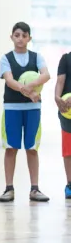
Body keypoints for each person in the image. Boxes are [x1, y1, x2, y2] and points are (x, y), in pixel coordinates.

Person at [0, 22, 51, 202]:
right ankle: (9, 189)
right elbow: (10, 80)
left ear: (29, 38)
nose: (20, 38)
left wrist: (31, 85)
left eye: (24, 35)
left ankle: (35, 189)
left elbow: (46, 75)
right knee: (11, 148)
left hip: (33, 109)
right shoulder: (6, 58)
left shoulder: (36, 57)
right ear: (11, 37)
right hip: (12, 108)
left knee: (32, 149)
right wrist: (28, 92)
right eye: (17, 35)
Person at [55, 51, 71, 198]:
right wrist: (57, 98)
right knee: (68, 150)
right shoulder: (66, 58)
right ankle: (70, 184)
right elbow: (60, 80)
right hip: (67, 111)